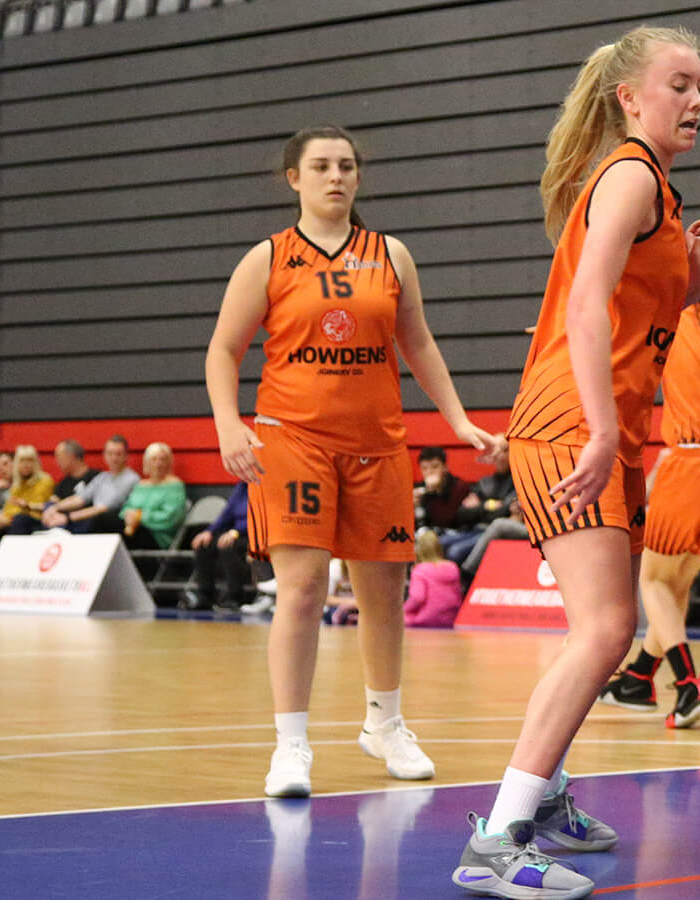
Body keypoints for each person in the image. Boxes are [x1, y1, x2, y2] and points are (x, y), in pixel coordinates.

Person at [450, 27, 700, 900]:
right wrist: (603, 431)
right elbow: (586, 308)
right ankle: (497, 841)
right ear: (630, 98)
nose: (697, 99)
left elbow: (647, 303)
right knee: (605, 631)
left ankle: (550, 795)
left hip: (608, 425)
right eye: (679, 82)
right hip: (574, 421)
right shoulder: (632, 172)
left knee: (599, 632)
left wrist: (697, 274)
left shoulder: (657, 190)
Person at [205, 124, 505, 801]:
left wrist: (458, 421)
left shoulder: (391, 255)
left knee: (383, 596)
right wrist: (229, 425)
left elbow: (419, 345)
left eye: (345, 166)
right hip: (293, 441)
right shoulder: (269, 258)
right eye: (320, 166)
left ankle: (385, 724)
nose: (335, 176)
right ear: (295, 179)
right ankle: (290, 746)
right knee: (304, 589)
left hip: (378, 445)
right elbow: (223, 350)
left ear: (358, 177)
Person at [598, 248, 700, 729]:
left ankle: (689, 685)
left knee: (652, 580)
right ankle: (639, 679)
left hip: (690, 462)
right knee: (674, 583)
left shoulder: (679, 313)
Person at [43, 436, 140, 534]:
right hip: (92, 520)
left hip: (111, 523)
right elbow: (80, 499)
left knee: (95, 520)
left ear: (126, 456)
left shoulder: (131, 479)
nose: (114, 458)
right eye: (110, 453)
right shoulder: (102, 477)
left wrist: (67, 518)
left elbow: (103, 508)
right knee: (50, 507)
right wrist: (54, 508)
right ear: (104, 455)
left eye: (118, 454)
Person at [187, 482, 254, 611]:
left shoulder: (265, 486)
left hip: (256, 535)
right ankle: (205, 595)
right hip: (234, 533)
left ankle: (234, 596)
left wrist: (236, 531)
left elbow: (261, 516)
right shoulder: (242, 487)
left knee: (227, 546)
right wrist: (209, 531)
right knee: (204, 545)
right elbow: (227, 513)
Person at [120, 442, 189, 565]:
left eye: (163, 459)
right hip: (132, 529)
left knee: (134, 534)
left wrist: (140, 517)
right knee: (105, 522)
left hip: (158, 537)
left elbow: (171, 519)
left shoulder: (175, 486)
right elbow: (125, 509)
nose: (158, 464)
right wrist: (128, 515)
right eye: (154, 459)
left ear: (169, 463)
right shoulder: (141, 486)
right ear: (146, 463)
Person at [404, 529, 464, 628]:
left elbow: (417, 598)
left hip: (426, 619)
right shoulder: (452, 567)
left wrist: (404, 609)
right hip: (450, 618)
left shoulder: (420, 569)